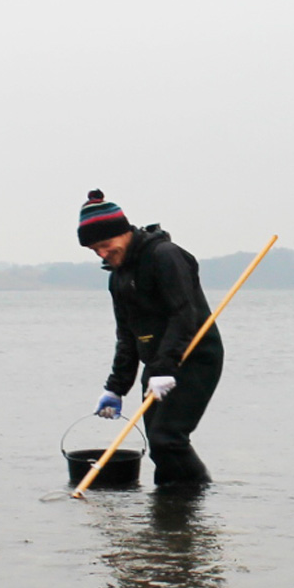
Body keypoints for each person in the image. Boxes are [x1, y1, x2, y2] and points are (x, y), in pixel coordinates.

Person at [79, 190, 221, 487]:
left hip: (195, 356)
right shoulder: (117, 276)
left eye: (105, 245)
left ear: (123, 233)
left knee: (167, 438)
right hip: (159, 364)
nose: (102, 254)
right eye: (95, 250)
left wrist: (164, 369)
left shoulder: (165, 256)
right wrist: (116, 388)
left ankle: (199, 497)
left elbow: (184, 315)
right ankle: (169, 513)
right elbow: (126, 334)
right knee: (159, 448)